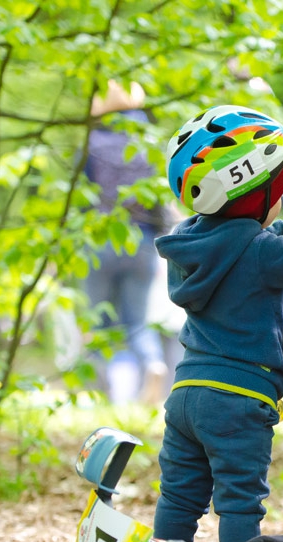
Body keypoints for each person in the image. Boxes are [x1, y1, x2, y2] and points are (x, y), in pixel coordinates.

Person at [152, 105, 283, 542]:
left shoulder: (194, 245)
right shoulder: (258, 252)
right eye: (278, 193)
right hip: (237, 402)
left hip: (187, 393)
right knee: (239, 501)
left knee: (179, 495)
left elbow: (246, 246)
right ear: (254, 198)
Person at [85, 80, 170, 406]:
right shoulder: (149, 144)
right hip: (143, 241)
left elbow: (80, 201)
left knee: (98, 322)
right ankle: (153, 364)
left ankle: (102, 393)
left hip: (101, 239)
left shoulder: (91, 144)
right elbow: (160, 202)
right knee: (137, 321)